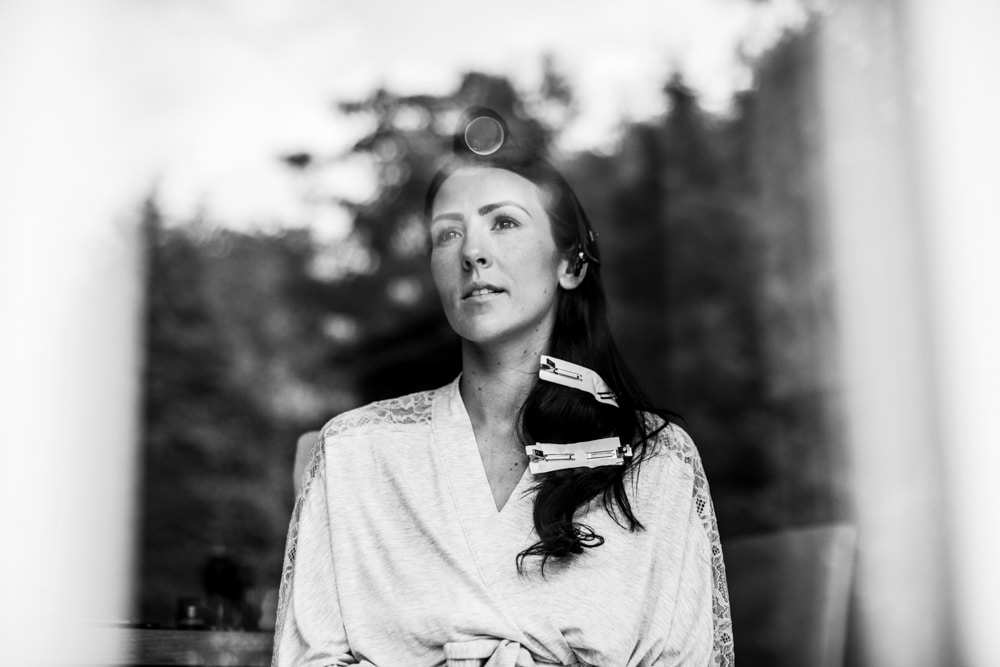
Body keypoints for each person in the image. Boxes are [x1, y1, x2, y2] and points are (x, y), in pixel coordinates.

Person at [272, 108, 734, 666]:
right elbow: (308, 657)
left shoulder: (656, 462)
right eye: (448, 234)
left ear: (570, 264)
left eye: (505, 222)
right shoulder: (354, 452)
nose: (472, 251)